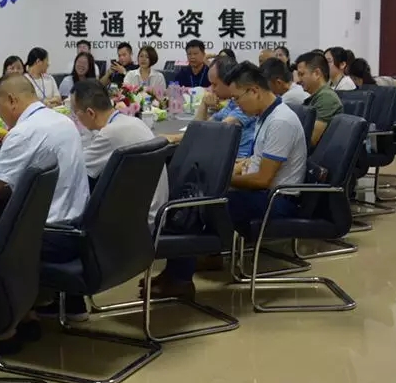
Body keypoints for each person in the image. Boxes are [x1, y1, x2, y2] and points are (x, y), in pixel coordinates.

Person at [150, 61, 307, 299]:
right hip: (263, 194)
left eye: (237, 98)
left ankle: (181, 277)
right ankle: (184, 267)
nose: (235, 104)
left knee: (198, 204)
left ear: (254, 90)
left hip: (277, 201)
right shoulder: (266, 115)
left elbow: (263, 180)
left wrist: (224, 179)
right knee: (195, 195)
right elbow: (257, 163)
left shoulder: (280, 121)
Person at [0, 73, 88, 249]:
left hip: (46, 236)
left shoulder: (23, 132)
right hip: (76, 227)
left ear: (12, 100)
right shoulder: (63, 121)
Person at [72, 80, 168, 227]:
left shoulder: (110, 133)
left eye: (76, 113)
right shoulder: (133, 121)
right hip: (154, 213)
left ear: (90, 113)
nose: (76, 118)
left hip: (138, 221)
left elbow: (78, 169)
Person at [166, 56, 256, 160]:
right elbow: (199, 127)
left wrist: (174, 138)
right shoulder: (232, 103)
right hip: (221, 157)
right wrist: (204, 104)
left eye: (215, 84)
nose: (212, 89)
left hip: (236, 162)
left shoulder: (246, 104)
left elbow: (214, 130)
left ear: (229, 81)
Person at [296, 51, 342, 146]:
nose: (298, 80)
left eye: (301, 74)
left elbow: (310, 141)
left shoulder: (327, 98)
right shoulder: (318, 96)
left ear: (317, 73)